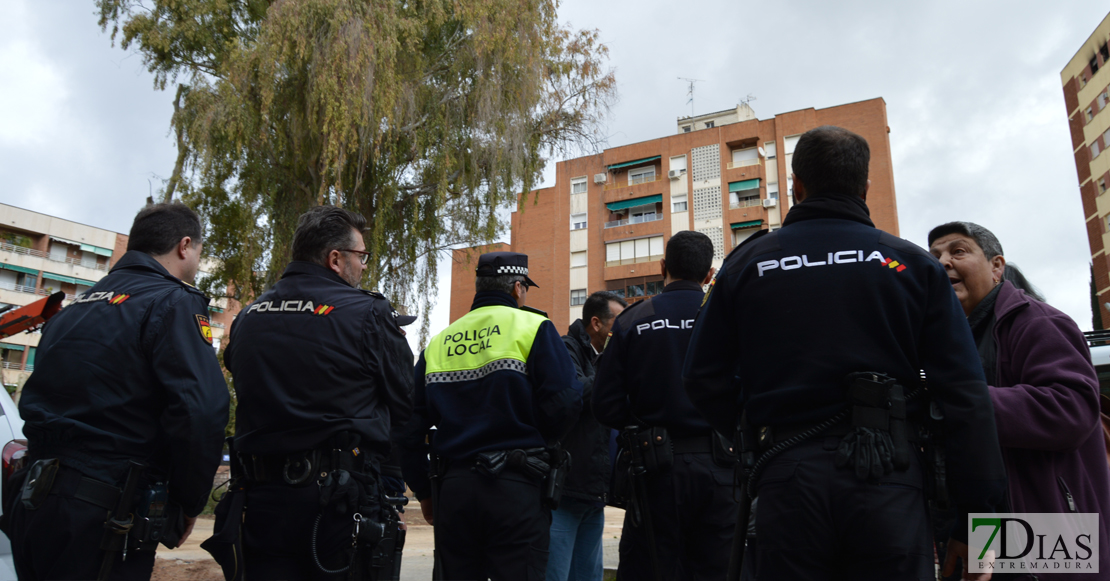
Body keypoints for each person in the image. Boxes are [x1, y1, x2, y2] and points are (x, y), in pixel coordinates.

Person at [682, 126, 1008, 581]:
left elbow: (701, 377)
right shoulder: (910, 264)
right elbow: (966, 398)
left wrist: (758, 430)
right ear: (865, 187)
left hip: (787, 475)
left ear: (795, 185)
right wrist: (981, 527)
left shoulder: (750, 264)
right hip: (890, 476)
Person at [7, 202, 229, 581]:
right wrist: (187, 503)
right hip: (101, 514)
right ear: (184, 245)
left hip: (31, 501)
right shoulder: (174, 301)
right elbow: (200, 410)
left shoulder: (74, 310)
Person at [221, 205, 414, 580]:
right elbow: (403, 402)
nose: (363, 266)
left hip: (260, 502)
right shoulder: (368, 312)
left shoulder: (248, 315)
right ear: (336, 259)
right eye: (362, 256)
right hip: (337, 506)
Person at [929, 221, 1110, 578]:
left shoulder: (1037, 321)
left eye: (958, 251)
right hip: (992, 528)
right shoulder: (956, 340)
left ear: (997, 266)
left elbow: (1070, 408)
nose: (942, 262)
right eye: (934, 256)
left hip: (1054, 525)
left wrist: (961, 402)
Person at [398, 251, 581, 580]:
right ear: (516, 287)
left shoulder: (440, 341)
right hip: (517, 486)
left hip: (454, 490)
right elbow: (566, 402)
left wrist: (424, 491)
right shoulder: (534, 326)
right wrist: (541, 442)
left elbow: (407, 428)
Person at [592, 230, 737, 581]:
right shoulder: (732, 316)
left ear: (662, 267)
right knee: (719, 568)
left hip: (656, 470)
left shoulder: (632, 320)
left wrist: (643, 419)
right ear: (709, 274)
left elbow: (604, 404)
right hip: (723, 469)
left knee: (650, 568)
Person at [548, 291, 627, 581]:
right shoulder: (563, 349)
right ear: (596, 323)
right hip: (565, 492)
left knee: (588, 576)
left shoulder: (606, 358)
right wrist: (615, 371)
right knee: (556, 575)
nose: (621, 332)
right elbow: (575, 394)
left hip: (594, 493)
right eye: (617, 324)